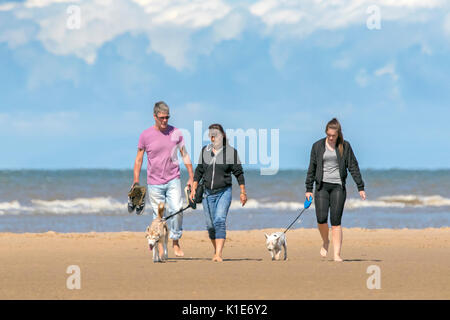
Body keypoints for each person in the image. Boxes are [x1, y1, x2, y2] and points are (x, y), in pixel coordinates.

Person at [133, 101, 194, 257]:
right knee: (158, 216)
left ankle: (175, 240)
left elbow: (184, 154)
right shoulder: (145, 135)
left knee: (177, 209)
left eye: (167, 117)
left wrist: (191, 176)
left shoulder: (176, 133)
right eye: (161, 118)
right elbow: (139, 159)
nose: (165, 121)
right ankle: (160, 246)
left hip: (173, 178)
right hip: (154, 182)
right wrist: (136, 181)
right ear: (154, 117)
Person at [305, 118, 366, 262]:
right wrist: (308, 189)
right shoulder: (317, 146)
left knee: (336, 221)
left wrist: (360, 187)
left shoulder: (345, 146)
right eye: (329, 135)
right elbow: (312, 168)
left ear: (338, 134)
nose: (331, 138)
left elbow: (353, 166)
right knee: (321, 219)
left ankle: (337, 254)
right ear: (326, 133)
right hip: (321, 186)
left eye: (334, 135)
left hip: (338, 187)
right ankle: (326, 241)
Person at [190, 124, 247, 262]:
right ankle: (216, 250)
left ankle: (218, 254)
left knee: (219, 220)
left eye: (216, 134)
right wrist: (194, 187)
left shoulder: (231, 152)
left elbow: (238, 173)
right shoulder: (205, 151)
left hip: (224, 191)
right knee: (210, 225)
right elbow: (199, 170)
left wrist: (242, 192)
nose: (213, 137)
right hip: (207, 193)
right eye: (211, 135)